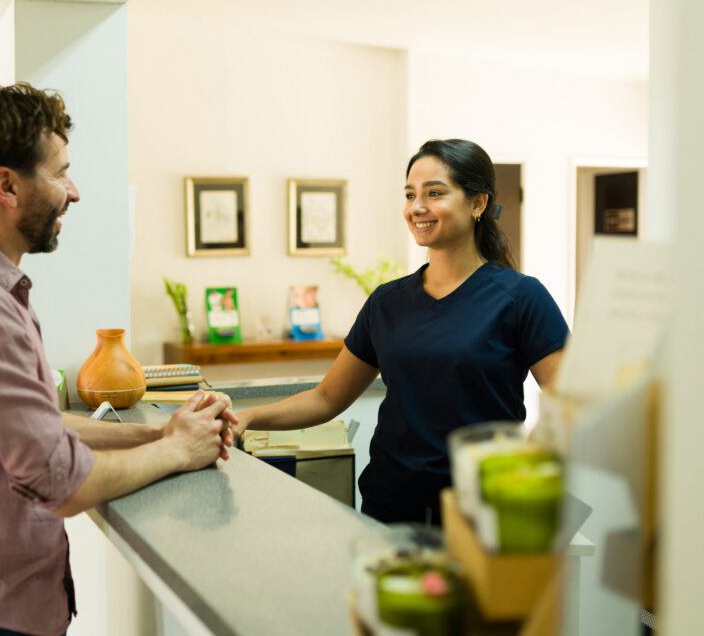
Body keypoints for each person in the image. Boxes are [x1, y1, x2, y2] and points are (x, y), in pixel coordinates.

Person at [0, 80, 236, 636]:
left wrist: (158, 432)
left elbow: (35, 429)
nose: (73, 191)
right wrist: (176, 451)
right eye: (59, 171)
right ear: (6, 186)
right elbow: (62, 482)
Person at [232, 139, 568, 526]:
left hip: (479, 513)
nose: (417, 208)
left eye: (435, 193)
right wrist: (248, 416)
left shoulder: (521, 298)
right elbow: (326, 398)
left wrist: (520, 471)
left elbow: (569, 404)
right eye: (410, 195)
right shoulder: (387, 302)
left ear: (478, 203)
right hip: (389, 506)